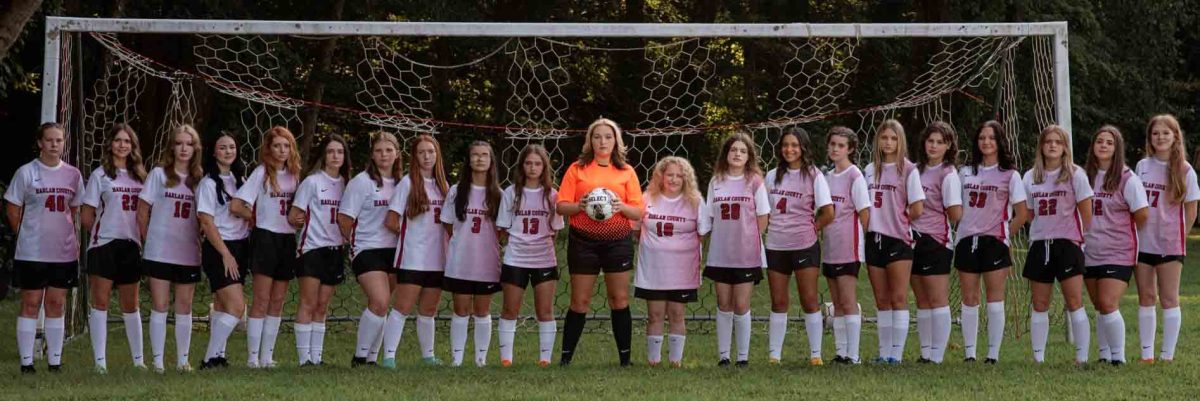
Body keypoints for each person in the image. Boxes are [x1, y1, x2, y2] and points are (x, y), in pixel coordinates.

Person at [556, 118, 644, 366]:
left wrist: (621, 206)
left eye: (608, 136)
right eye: (597, 136)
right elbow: (561, 206)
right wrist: (579, 205)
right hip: (583, 242)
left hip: (617, 242)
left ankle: (625, 361)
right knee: (579, 301)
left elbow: (638, 212)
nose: (602, 141)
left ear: (616, 140)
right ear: (590, 141)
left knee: (619, 300)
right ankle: (565, 360)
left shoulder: (626, 171)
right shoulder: (577, 169)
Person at [6, 122, 85, 374]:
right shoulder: (26, 172)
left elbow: (74, 209)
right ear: (40, 143)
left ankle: (55, 361)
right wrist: (25, 233)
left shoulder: (73, 174)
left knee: (56, 303)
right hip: (32, 251)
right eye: (49, 140)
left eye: (59, 140)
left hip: (62, 251)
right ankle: (27, 362)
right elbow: (12, 208)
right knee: (30, 302)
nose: (54, 144)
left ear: (63, 143)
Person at [955, 120, 1028, 363]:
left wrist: (1004, 233)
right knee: (969, 297)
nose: (986, 142)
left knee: (995, 297)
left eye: (991, 138)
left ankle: (992, 354)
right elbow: (954, 206)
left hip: (994, 242)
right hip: (967, 240)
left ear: (999, 142)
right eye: (982, 138)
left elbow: (1023, 213)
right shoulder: (965, 172)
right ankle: (969, 353)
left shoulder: (1010, 174)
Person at [231, 126, 302, 368]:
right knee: (261, 298)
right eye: (277, 146)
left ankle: (267, 356)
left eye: (286, 146)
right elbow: (237, 205)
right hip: (265, 238)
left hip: (287, 239)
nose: (282, 150)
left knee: (278, 299)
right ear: (268, 149)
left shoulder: (294, 175)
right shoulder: (261, 173)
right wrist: (254, 217)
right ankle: (252, 358)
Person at [1023, 124, 1094, 364]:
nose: (1052, 145)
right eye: (1048, 141)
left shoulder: (1076, 174)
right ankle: (1038, 358)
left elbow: (1087, 214)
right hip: (1040, 244)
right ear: (1041, 146)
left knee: (1074, 301)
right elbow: (1030, 213)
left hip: (1067, 244)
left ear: (1065, 147)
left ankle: (1082, 357)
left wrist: (1078, 242)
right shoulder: (1030, 176)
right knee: (1040, 303)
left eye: (1058, 142)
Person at [137, 124, 204, 372]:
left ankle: (182, 360)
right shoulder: (158, 174)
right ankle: (157, 361)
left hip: (188, 251)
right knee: (160, 304)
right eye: (179, 143)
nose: (184, 148)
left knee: (184, 306)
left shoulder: (200, 180)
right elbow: (142, 210)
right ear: (172, 147)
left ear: (195, 148)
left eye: (189, 143)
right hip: (160, 250)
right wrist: (147, 239)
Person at [763, 127, 833, 366]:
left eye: (794, 145)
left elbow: (828, 212)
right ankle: (774, 355)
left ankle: (815, 354)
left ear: (803, 147)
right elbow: (763, 210)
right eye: (785, 145)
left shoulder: (814, 175)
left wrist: (811, 229)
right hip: (775, 244)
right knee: (779, 301)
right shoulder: (772, 176)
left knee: (809, 299)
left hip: (804, 245)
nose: (789, 149)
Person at [81, 124, 148, 372]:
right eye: (118, 140)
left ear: (133, 146)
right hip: (105, 243)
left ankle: (139, 362)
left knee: (131, 304)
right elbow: (87, 215)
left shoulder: (141, 176)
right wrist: (104, 231)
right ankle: (100, 363)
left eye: (127, 141)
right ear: (110, 144)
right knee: (101, 302)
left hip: (131, 244)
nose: (122, 145)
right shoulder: (100, 175)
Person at [380, 134, 450, 367]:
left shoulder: (444, 186)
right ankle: (389, 356)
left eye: (431, 151)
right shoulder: (408, 183)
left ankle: (428, 356)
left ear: (437, 154)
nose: (427, 156)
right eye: (422, 152)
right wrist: (412, 237)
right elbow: (391, 220)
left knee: (429, 309)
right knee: (402, 307)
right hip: (413, 257)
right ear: (415, 156)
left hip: (438, 258)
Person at [1134, 114, 1199, 363]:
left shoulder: (1185, 170)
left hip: (1170, 243)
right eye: (1155, 133)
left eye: (1165, 133)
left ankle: (1167, 355)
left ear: (1175, 137)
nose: (1160, 137)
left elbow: (1191, 209)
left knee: (1169, 297)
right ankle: (1146, 354)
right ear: (1150, 138)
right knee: (1146, 296)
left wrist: (1177, 235)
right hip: (1143, 241)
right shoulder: (1142, 166)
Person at [1083, 125, 1148, 366]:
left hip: (1118, 251)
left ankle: (1118, 358)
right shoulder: (1084, 176)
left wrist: (1116, 230)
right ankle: (1103, 354)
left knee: (1109, 302)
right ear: (1093, 146)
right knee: (1099, 304)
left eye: (1109, 142)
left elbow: (1141, 214)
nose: (1103, 145)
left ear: (1117, 148)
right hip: (1090, 249)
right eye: (1099, 141)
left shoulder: (1127, 178)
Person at [703, 132, 770, 367]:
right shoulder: (716, 181)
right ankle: (724, 356)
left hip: (746, 254)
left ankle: (742, 356)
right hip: (721, 253)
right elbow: (709, 216)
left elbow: (763, 216)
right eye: (733, 150)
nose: (738, 154)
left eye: (742, 151)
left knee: (741, 304)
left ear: (749, 155)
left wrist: (751, 240)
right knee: (724, 303)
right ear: (726, 154)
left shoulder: (755, 181)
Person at [635, 156, 709, 367]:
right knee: (655, 314)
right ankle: (654, 361)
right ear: (661, 176)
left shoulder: (695, 201)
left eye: (679, 175)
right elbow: (635, 228)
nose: (674, 179)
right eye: (670, 174)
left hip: (682, 270)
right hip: (653, 269)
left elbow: (703, 233)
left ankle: (676, 361)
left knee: (677, 314)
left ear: (686, 179)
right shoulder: (647, 198)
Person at [495, 144, 564, 367]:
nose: (532, 168)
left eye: (537, 163)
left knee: (544, 310)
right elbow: (503, 228)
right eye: (528, 163)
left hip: (543, 258)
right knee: (509, 309)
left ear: (544, 167)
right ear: (521, 166)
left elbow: (555, 230)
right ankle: (506, 359)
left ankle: (544, 359)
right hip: (515, 258)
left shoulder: (553, 196)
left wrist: (538, 246)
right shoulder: (510, 193)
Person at [863, 119, 925, 364]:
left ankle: (896, 354)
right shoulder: (869, 170)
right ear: (878, 140)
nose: (888, 142)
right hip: (874, 239)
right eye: (884, 137)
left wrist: (898, 221)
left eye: (893, 138)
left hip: (898, 240)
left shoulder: (909, 170)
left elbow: (918, 207)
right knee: (882, 300)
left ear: (900, 141)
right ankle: (883, 352)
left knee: (898, 298)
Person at [288, 134, 351, 366]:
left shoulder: (347, 184)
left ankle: (317, 358)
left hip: (335, 249)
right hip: (312, 248)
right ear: (323, 155)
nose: (335, 156)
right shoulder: (312, 182)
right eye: (331, 151)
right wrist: (299, 220)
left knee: (323, 305)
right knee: (308, 302)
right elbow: (294, 215)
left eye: (340, 152)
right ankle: (304, 359)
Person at [341, 132, 403, 366]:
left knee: (382, 305)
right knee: (379, 300)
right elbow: (345, 219)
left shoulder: (403, 183)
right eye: (379, 151)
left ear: (397, 154)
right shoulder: (361, 182)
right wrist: (355, 245)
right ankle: (359, 356)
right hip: (368, 249)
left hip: (395, 250)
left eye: (388, 150)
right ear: (372, 155)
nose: (384, 155)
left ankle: (372, 358)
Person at [441, 141, 504, 367]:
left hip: (486, 261)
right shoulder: (456, 191)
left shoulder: (498, 194)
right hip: (460, 261)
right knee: (460, 309)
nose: (479, 159)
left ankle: (481, 360)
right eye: (475, 155)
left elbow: (503, 230)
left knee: (482, 310)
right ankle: (456, 360)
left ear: (491, 161)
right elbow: (448, 225)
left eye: (484, 155)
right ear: (468, 160)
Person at [196, 132, 251, 369]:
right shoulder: (208, 183)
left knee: (221, 304)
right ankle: (209, 357)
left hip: (241, 245)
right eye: (222, 148)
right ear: (213, 152)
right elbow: (206, 222)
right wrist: (225, 254)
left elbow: (248, 212)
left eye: (232, 147)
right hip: (220, 247)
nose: (228, 151)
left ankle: (219, 356)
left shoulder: (242, 181)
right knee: (237, 307)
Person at [910, 122, 962, 364]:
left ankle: (938, 356)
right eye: (930, 141)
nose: (934, 146)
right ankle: (925, 352)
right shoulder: (914, 170)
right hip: (911, 239)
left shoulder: (948, 174)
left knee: (936, 298)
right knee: (921, 299)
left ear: (948, 146)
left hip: (936, 241)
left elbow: (955, 214)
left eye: (940, 142)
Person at [821, 126, 870, 365]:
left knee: (848, 300)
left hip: (848, 246)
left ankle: (854, 354)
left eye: (841, 145)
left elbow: (864, 213)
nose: (835, 149)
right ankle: (840, 353)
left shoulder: (855, 175)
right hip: (829, 246)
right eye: (832, 144)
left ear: (850, 148)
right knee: (836, 301)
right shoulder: (826, 177)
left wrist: (865, 244)